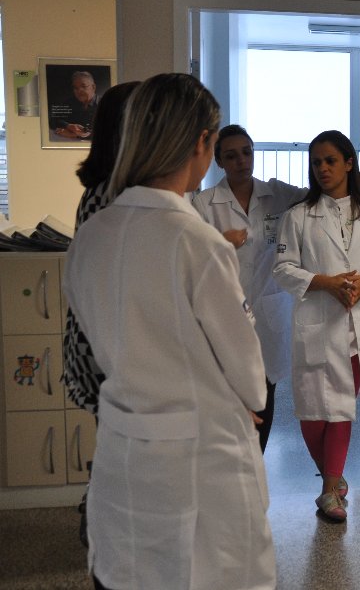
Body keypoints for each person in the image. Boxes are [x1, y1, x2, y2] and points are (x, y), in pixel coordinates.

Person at [63, 73, 275, 590]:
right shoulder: (197, 241)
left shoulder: (91, 234)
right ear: (202, 143)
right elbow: (249, 376)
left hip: (125, 447)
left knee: (127, 573)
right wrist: (247, 398)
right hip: (200, 461)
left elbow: (98, 333)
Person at [273, 130, 360, 523]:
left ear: (349, 163)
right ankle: (332, 473)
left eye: (330, 160)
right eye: (316, 162)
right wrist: (327, 283)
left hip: (356, 328)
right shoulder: (298, 215)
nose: (322, 168)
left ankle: (329, 491)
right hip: (316, 325)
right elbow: (282, 268)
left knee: (342, 408)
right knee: (312, 414)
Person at [60, 81, 140, 549]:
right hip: (109, 345)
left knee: (116, 446)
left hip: (101, 341)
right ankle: (105, 525)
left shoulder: (109, 188)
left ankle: (103, 517)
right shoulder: (116, 196)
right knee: (121, 450)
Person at [193, 125, 306, 452]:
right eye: (231, 156)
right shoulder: (204, 203)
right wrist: (220, 243)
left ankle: (256, 463)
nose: (241, 161)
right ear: (219, 161)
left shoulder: (276, 194)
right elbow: (190, 258)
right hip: (225, 315)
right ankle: (234, 467)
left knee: (264, 395)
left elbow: (324, 194)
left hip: (268, 312)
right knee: (229, 395)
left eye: (246, 153)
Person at [51, 70, 100, 139]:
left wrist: (76, 135)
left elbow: (109, 132)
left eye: (84, 86)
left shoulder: (106, 105)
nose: (79, 90)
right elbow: (54, 120)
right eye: (75, 88)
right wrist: (68, 126)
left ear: (93, 87)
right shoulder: (68, 102)